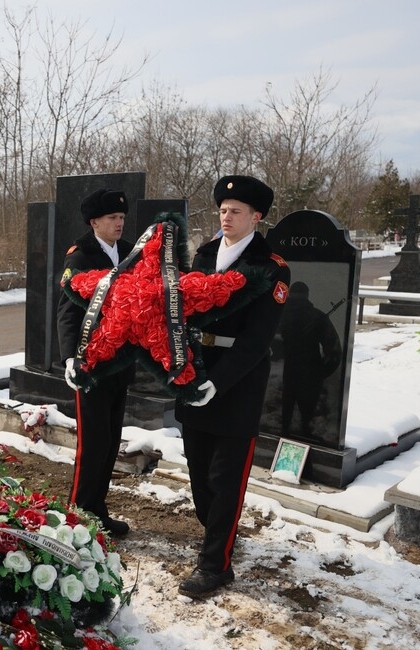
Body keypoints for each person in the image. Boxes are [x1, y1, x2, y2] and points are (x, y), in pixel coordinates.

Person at [173, 175, 291, 598]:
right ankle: (219, 534)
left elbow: (257, 342)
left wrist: (217, 383)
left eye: (236, 210)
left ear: (256, 217)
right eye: (223, 209)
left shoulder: (270, 267)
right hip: (194, 373)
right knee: (199, 475)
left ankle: (215, 565)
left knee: (225, 480)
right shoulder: (204, 255)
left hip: (235, 384)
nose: (226, 216)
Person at [57, 188, 135, 537]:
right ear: (94, 223)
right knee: (93, 445)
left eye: (121, 218)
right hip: (91, 364)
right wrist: (70, 357)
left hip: (121, 363)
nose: (119, 223)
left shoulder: (131, 251)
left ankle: (97, 509)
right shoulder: (81, 256)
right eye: (111, 219)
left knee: (110, 441)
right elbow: (68, 310)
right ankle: (78, 517)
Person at [280, 281, 342, 440]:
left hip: (290, 369)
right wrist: (322, 372)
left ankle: (286, 432)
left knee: (287, 410)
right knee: (306, 417)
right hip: (310, 370)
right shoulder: (318, 317)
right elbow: (334, 351)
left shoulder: (280, 315)